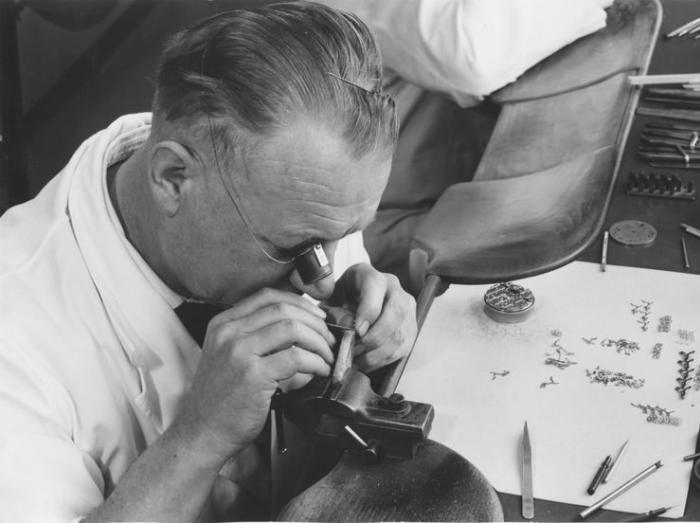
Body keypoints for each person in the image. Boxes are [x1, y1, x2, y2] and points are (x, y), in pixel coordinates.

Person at [0, 2, 417, 521]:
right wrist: (202, 435)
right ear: (172, 179)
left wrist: (371, 339)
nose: (325, 281)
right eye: (295, 247)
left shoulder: (282, 186)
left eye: (347, 234)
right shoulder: (15, 346)